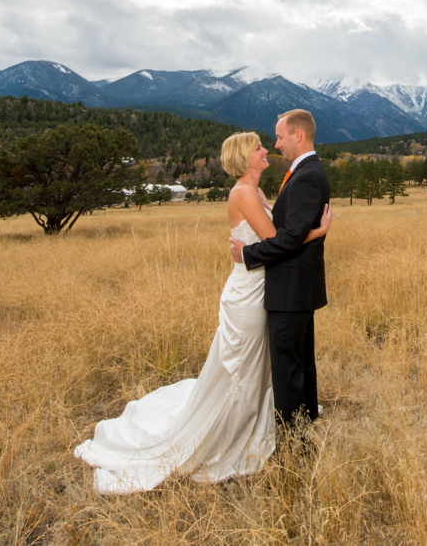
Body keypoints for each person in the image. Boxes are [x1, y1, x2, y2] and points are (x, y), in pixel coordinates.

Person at [73, 131, 331, 494]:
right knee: (241, 365)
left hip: (261, 286)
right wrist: (317, 230)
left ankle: (256, 423)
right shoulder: (243, 193)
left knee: (258, 363)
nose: (266, 150)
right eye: (258, 147)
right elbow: (278, 241)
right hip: (248, 293)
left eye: (266, 143)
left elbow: (274, 240)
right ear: (245, 156)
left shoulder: (255, 192)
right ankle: (230, 435)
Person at [231, 108, 331, 427]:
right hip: (293, 287)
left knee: (288, 370)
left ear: (297, 136)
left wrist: (248, 254)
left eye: (279, 137)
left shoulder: (307, 176)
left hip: (291, 288)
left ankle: (293, 446)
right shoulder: (304, 173)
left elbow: (288, 239)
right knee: (298, 364)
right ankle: (306, 424)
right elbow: (294, 233)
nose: (275, 145)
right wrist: (316, 232)